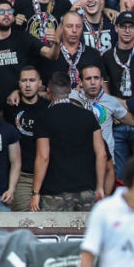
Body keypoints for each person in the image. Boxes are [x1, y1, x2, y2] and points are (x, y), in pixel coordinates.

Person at [32, 73, 108, 212]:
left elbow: (43, 157)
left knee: (54, 232)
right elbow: (102, 153)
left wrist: (35, 192)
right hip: (86, 191)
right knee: (85, 233)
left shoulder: (43, 117)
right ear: (69, 90)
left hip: (54, 192)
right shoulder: (88, 116)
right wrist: (100, 187)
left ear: (48, 90)